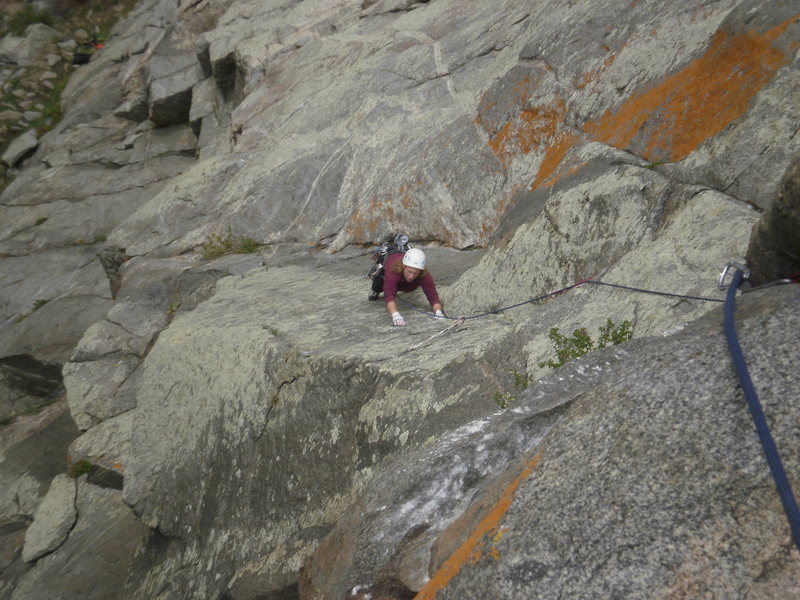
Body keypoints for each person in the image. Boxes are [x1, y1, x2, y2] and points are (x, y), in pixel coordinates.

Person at [369, 247, 445, 326]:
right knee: (377, 287)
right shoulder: (393, 270)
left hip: (403, 262)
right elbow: (389, 294)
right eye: (409, 272)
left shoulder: (424, 275)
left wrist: (438, 312)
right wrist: (395, 314)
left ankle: (404, 248)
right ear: (403, 266)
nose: (411, 276)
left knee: (410, 287)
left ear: (421, 271)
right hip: (392, 257)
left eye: (415, 273)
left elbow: (433, 296)